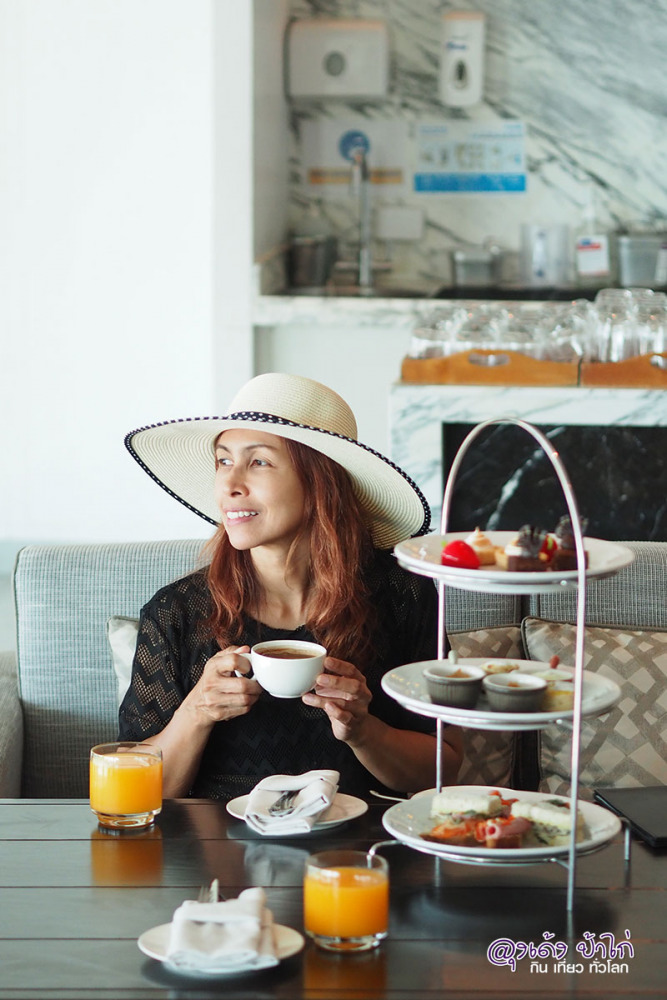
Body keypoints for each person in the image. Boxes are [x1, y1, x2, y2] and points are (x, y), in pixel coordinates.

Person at [119, 372, 462, 800]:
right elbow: (137, 793)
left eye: (258, 462)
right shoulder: (177, 612)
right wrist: (197, 712)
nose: (229, 484)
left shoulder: (402, 596)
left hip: (358, 838)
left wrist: (363, 730)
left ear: (321, 482)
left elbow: (442, 772)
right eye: (223, 461)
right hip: (218, 839)